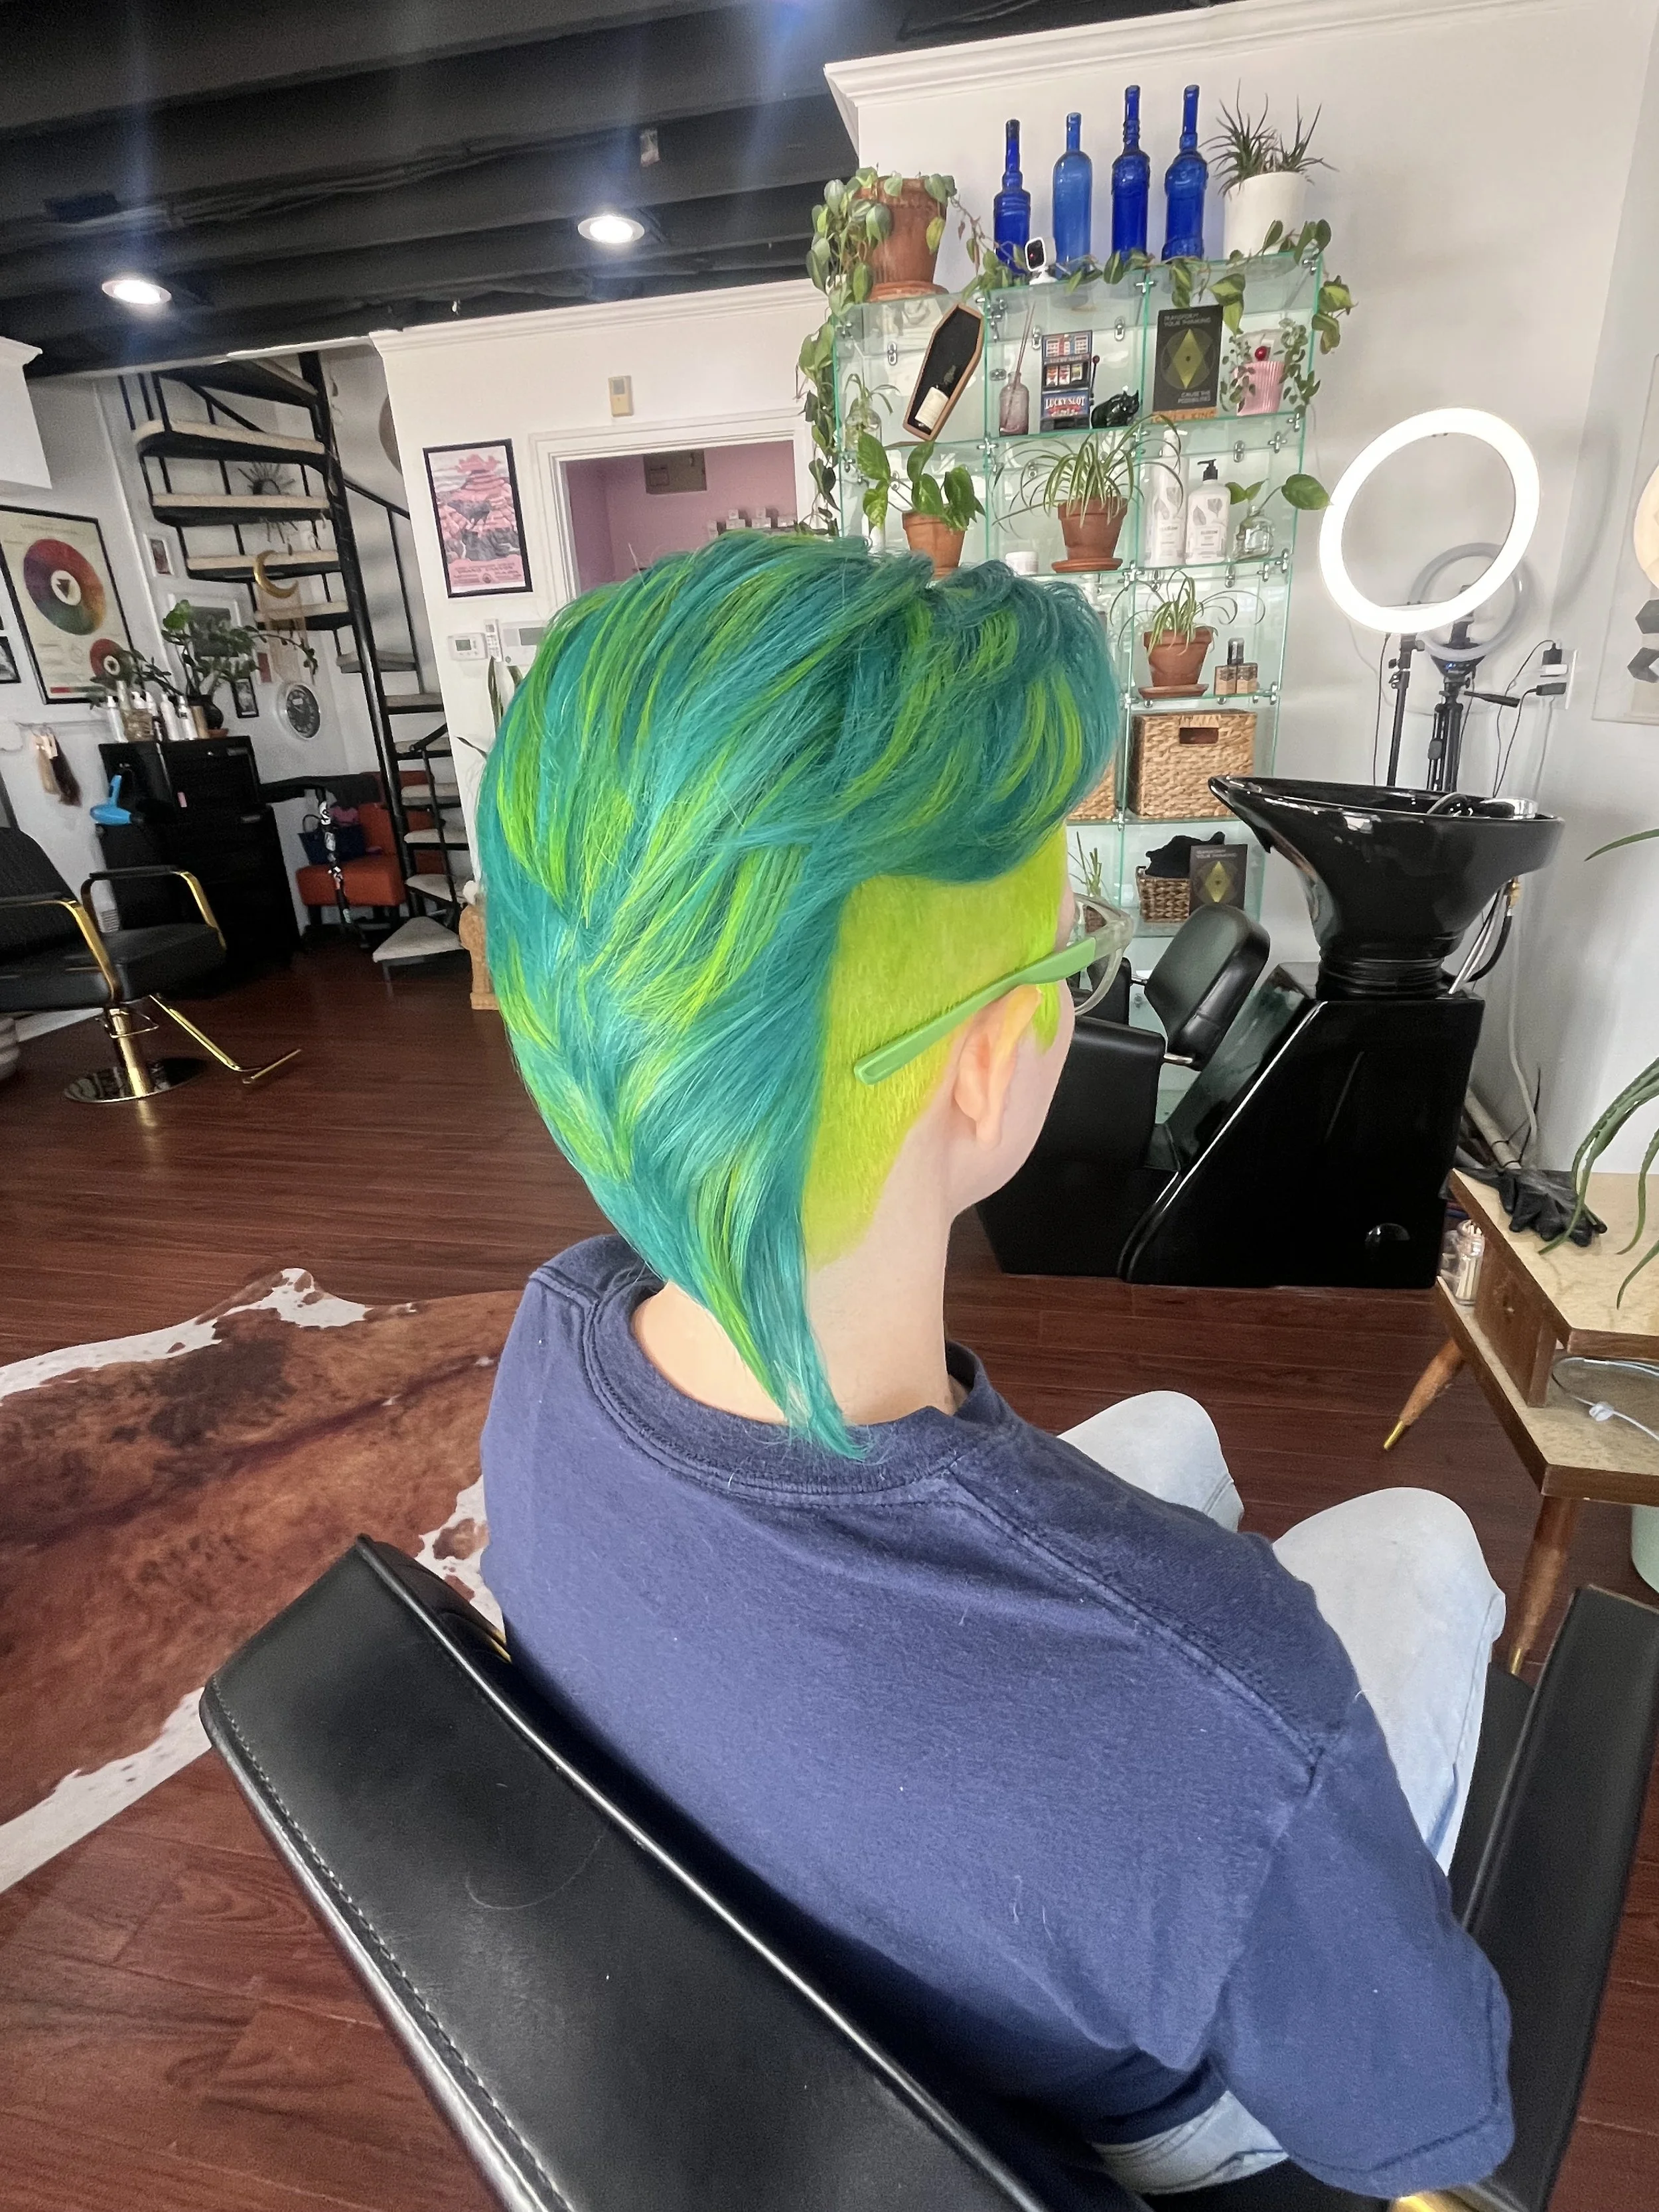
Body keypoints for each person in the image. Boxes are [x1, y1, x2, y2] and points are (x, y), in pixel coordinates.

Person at [477, 532, 1512, 2200]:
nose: (1073, 984)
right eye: (1062, 955)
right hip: (1108, 2105)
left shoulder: (555, 1327)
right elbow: (1425, 2109)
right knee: (1414, 1547)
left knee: (1169, 1432)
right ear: (981, 1067)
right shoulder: (1244, 1695)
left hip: (815, 1841)